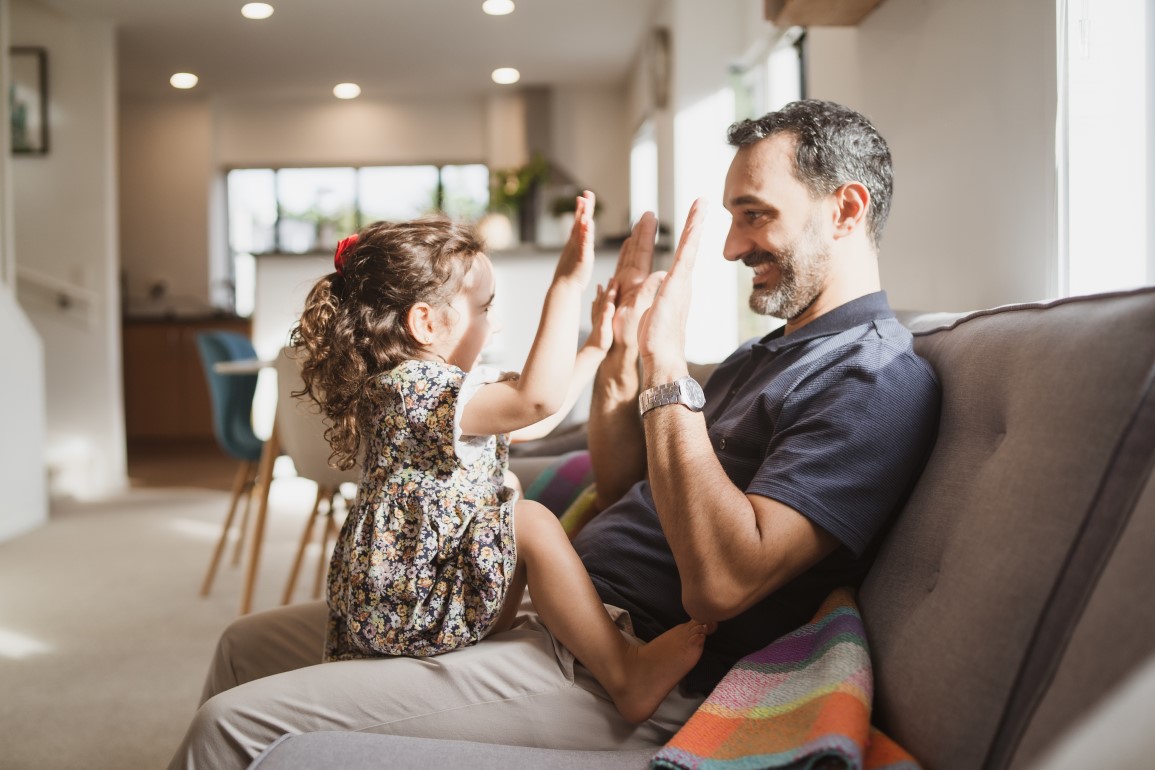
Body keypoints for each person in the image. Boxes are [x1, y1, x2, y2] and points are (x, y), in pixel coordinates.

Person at [168, 100, 940, 770]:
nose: (734, 248)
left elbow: (722, 584)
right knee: (246, 646)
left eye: (754, 214)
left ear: (845, 209)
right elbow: (619, 479)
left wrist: (668, 368)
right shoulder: (769, 353)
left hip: (620, 665)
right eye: (732, 218)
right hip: (548, 603)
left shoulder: (870, 379)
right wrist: (619, 359)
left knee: (230, 729)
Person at [294, 191, 710, 724]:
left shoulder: (433, 389)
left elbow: (535, 417)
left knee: (511, 502)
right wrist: (566, 285)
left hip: (415, 588)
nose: (494, 325)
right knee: (529, 521)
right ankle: (623, 671)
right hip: (408, 602)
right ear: (426, 324)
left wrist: (595, 348)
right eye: (483, 309)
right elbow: (535, 398)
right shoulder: (415, 388)